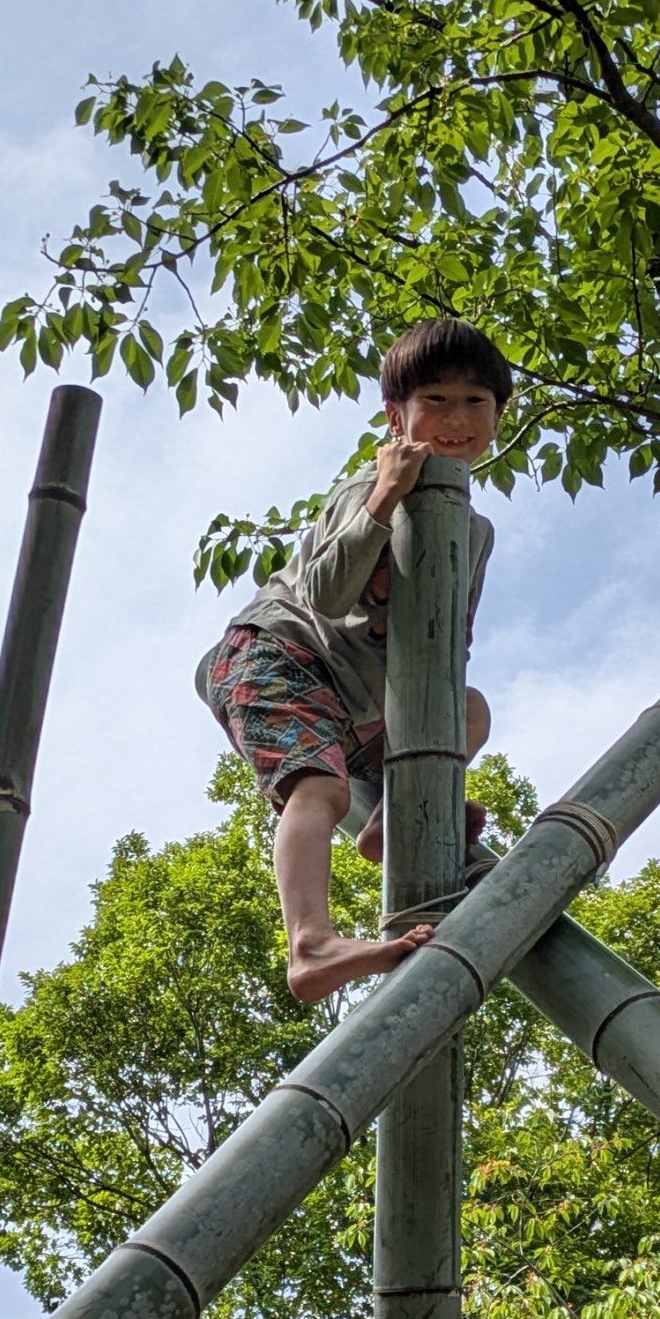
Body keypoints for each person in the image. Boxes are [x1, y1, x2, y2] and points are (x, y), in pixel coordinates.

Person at [197, 318, 509, 1001]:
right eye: (435, 400)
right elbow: (325, 593)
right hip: (281, 654)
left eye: (475, 402)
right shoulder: (367, 484)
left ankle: (392, 818)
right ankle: (310, 943)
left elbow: (449, 644)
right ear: (397, 415)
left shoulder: (473, 531)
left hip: (360, 703)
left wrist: (430, 767)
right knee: (318, 789)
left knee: (469, 707)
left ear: (496, 418)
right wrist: (384, 496)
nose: (456, 418)